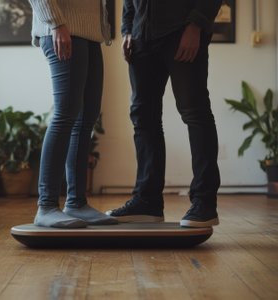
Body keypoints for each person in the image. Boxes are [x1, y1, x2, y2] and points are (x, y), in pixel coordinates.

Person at [106, 0, 222, 227]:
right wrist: (127, 29)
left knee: (195, 113)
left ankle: (205, 203)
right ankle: (147, 201)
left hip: (181, 31)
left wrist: (196, 25)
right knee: (143, 118)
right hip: (141, 38)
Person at [28, 0, 117, 228]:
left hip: (89, 34)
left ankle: (77, 202)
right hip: (63, 29)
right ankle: (46, 206)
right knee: (65, 115)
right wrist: (57, 24)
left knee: (86, 119)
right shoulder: (59, 26)